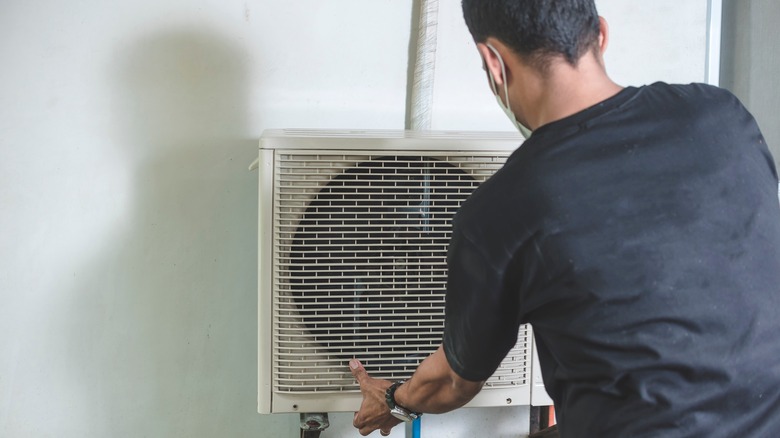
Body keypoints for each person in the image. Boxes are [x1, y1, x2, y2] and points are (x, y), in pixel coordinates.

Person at [350, 0, 780, 436]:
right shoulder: (722, 114)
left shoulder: (503, 209)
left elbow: (451, 382)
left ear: (493, 63)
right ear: (602, 35)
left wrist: (393, 401)